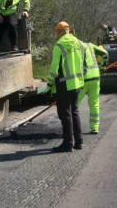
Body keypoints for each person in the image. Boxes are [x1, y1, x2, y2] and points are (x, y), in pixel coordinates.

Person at [46, 21, 85, 152]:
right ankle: (79, 141)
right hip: (78, 83)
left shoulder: (59, 45)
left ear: (59, 32)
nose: (56, 35)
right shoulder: (78, 42)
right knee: (75, 111)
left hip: (64, 85)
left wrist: (49, 83)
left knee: (65, 114)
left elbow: (54, 69)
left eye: (56, 33)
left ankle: (67, 144)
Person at [77, 39, 108, 134]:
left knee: (75, 103)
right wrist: (103, 67)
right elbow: (105, 54)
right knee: (94, 103)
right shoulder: (90, 45)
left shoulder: (75, 47)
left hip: (82, 79)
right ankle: (95, 128)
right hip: (95, 78)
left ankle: (73, 128)